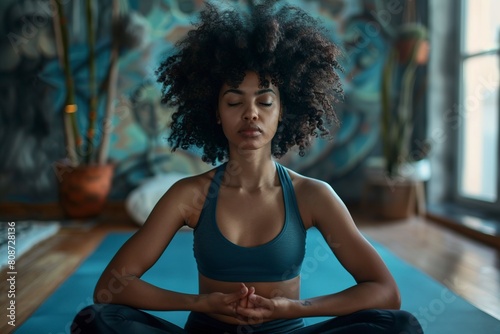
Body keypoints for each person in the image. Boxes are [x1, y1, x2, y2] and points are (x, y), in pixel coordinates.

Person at [72, 1, 423, 333]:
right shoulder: (189, 195)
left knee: (398, 327)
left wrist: (292, 308)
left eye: (265, 101)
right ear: (216, 112)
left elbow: (385, 292)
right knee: (97, 320)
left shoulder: (312, 196)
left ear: (283, 110)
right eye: (234, 101)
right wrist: (202, 303)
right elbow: (111, 287)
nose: (250, 113)